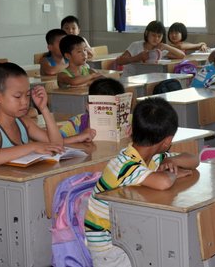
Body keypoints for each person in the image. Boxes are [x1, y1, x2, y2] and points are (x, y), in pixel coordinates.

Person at [84, 98, 199, 266]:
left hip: (127, 231)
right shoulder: (124, 164)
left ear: (131, 130)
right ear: (167, 141)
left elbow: (194, 159)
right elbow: (163, 182)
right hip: (108, 246)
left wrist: (172, 162)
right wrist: (173, 173)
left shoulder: (154, 157)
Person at [0, 63, 64, 167]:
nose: (25, 102)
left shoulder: (23, 121)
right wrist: (32, 147)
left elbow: (56, 144)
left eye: (27, 95)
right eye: (17, 96)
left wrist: (43, 108)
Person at [59, 77, 123, 139]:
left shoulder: (124, 122)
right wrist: (78, 137)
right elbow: (56, 142)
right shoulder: (76, 123)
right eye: (102, 107)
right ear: (88, 106)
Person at [116, 20, 185, 78]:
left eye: (159, 36)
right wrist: (137, 57)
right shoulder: (136, 45)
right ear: (147, 33)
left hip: (147, 79)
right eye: (153, 35)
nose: (156, 39)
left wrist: (166, 46)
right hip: (130, 78)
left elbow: (182, 55)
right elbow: (119, 61)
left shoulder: (161, 49)